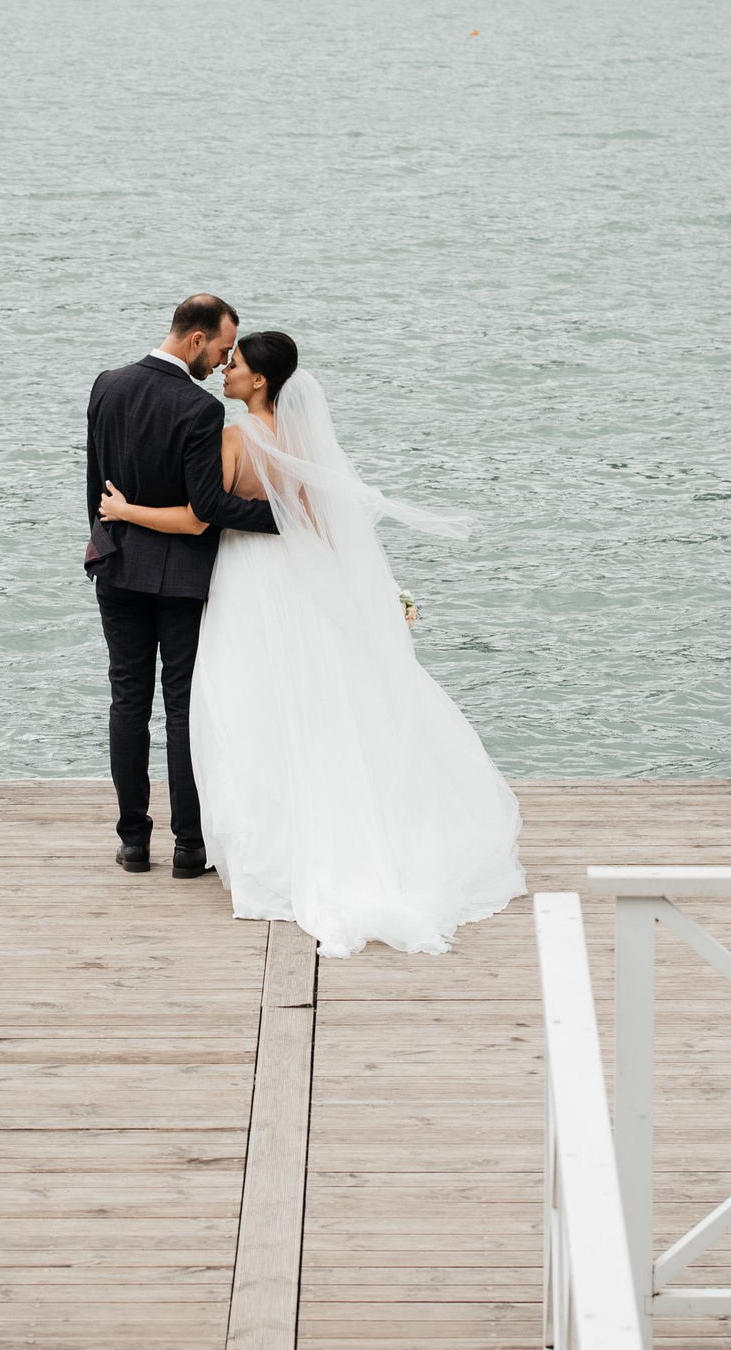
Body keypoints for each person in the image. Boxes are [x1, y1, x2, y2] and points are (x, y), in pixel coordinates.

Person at [97, 329, 525, 957]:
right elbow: (326, 528)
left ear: (259, 381)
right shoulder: (304, 443)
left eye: (234, 364)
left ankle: (253, 846)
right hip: (299, 579)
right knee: (318, 702)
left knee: (244, 706)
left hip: (246, 581)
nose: (224, 371)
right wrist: (367, 599)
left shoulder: (234, 437)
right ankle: (291, 834)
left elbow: (197, 517)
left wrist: (126, 512)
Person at [83, 294, 279, 878]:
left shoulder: (107, 385)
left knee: (126, 700)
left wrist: (102, 542)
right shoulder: (198, 410)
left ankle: (133, 841)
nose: (222, 364)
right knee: (182, 708)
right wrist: (286, 518)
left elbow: (95, 482)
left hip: (115, 565)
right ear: (195, 339)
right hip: (181, 577)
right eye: (221, 349)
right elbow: (208, 507)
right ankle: (190, 847)